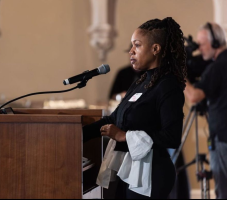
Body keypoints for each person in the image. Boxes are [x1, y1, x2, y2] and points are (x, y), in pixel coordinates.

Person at [83, 17, 186, 199]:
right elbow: (113, 119)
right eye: (132, 45)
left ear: (155, 49)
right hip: (130, 169)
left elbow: (172, 136)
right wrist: (78, 134)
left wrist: (124, 136)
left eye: (137, 45)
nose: (131, 51)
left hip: (151, 175)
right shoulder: (141, 81)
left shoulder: (167, 85)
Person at [184, 22, 227, 199]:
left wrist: (178, 73)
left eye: (202, 44)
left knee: (223, 190)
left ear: (215, 42)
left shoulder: (217, 67)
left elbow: (194, 96)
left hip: (223, 138)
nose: (199, 49)